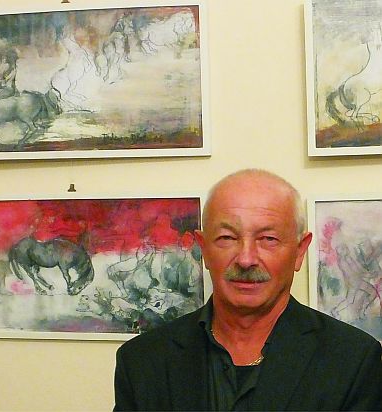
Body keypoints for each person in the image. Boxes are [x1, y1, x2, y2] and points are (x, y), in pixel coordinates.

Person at [113, 169, 382, 411]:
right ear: (204, 249)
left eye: (268, 239)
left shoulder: (353, 361)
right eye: (227, 238)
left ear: (300, 251)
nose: (246, 259)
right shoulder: (142, 361)